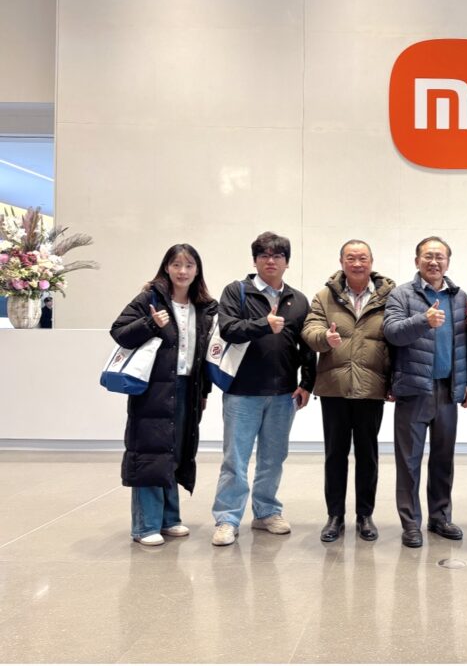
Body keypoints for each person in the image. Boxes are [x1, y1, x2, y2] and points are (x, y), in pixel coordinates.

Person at [210, 231, 316, 546]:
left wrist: (307, 383)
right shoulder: (237, 291)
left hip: (283, 393)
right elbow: (228, 328)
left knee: (273, 458)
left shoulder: (298, 300)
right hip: (242, 392)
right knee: (236, 459)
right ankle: (227, 519)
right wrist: (262, 325)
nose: (271, 261)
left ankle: (266, 512)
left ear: (287, 262)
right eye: (264, 255)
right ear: (255, 260)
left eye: (277, 256)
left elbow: (306, 346)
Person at [110, 244, 217, 546]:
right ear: (166, 268)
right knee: (150, 453)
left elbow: (204, 355)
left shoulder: (204, 306)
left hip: (187, 388)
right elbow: (119, 331)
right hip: (154, 389)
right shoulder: (150, 298)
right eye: (176, 265)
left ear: (197, 270)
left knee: (175, 451)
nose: (183, 271)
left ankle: (169, 519)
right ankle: (146, 526)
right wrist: (150, 323)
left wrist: (204, 391)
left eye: (189, 265)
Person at [383, 236, 467, 548]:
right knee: (409, 462)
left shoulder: (459, 296)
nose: (434, 262)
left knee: (443, 459)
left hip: (448, 389)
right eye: (428, 256)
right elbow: (392, 333)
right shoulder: (401, 294)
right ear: (417, 261)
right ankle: (411, 523)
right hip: (414, 390)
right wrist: (423, 321)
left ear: (448, 262)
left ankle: (440, 517)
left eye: (440, 257)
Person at [302, 240, 395, 543]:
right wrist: (323, 338)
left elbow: (396, 341)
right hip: (335, 388)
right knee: (335, 455)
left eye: (362, 258)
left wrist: (393, 381)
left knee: (368, 455)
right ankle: (335, 516)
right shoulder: (324, 296)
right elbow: (309, 330)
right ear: (341, 262)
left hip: (371, 387)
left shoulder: (388, 297)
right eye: (351, 258)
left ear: (371, 262)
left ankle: (365, 516)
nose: (357, 263)